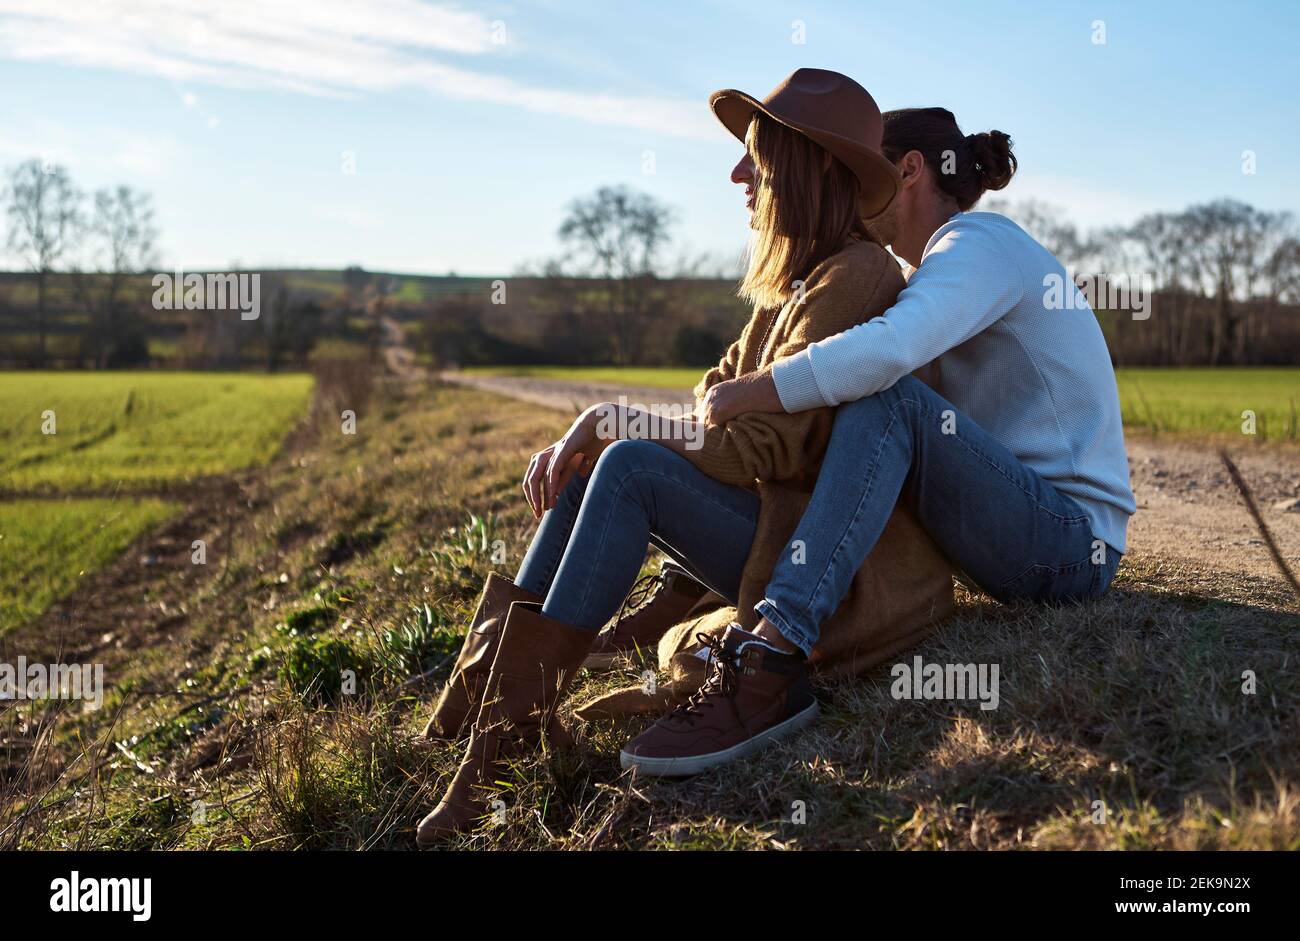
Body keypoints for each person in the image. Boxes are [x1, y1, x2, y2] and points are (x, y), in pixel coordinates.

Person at [416, 69, 912, 844]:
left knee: (630, 463)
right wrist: (616, 428)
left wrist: (612, 419)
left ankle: (499, 750)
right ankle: (482, 703)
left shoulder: (858, 276)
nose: (738, 174)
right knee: (605, 463)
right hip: (763, 524)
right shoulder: (792, 289)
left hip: (806, 558)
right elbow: (710, 400)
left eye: (758, 156)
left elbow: (759, 443)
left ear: (812, 168)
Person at [698, 105, 1136, 662]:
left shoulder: (979, 244)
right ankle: (700, 591)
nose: (851, 192)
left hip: (1074, 545)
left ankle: (779, 643)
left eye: (865, 174)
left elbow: (890, 352)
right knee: (850, 408)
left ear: (908, 171)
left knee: (888, 400)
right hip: (1009, 527)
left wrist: (757, 387)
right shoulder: (920, 275)